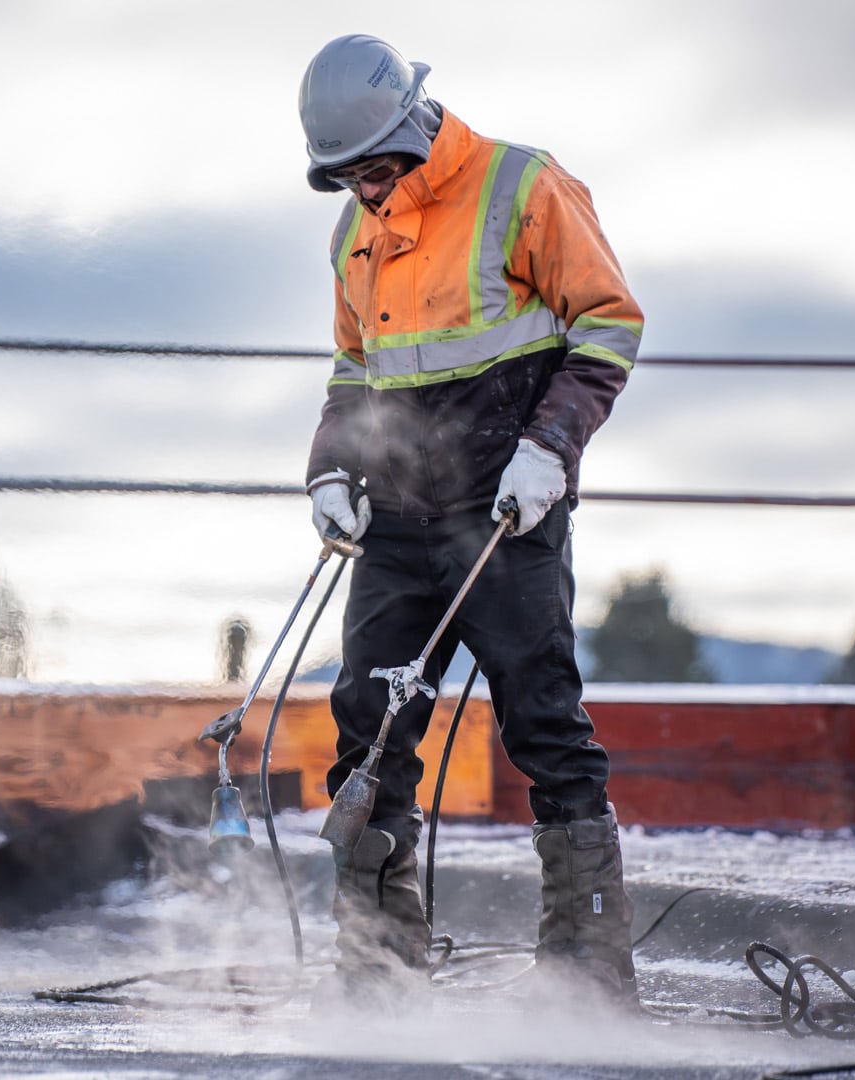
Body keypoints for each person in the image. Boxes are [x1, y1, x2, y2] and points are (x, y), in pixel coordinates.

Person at [298, 34, 645, 1013]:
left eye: (372, 168)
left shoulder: (521, 189)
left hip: (506, 507)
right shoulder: (352, 239)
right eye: (343, 177)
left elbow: (609, 324)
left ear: (413, 129)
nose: (362, 190)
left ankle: (586, 971)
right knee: (369, 721)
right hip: (399, 529)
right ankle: (379, 971)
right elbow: (354, 374)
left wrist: (553, 448)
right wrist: (331, 470)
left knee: (542, 719)